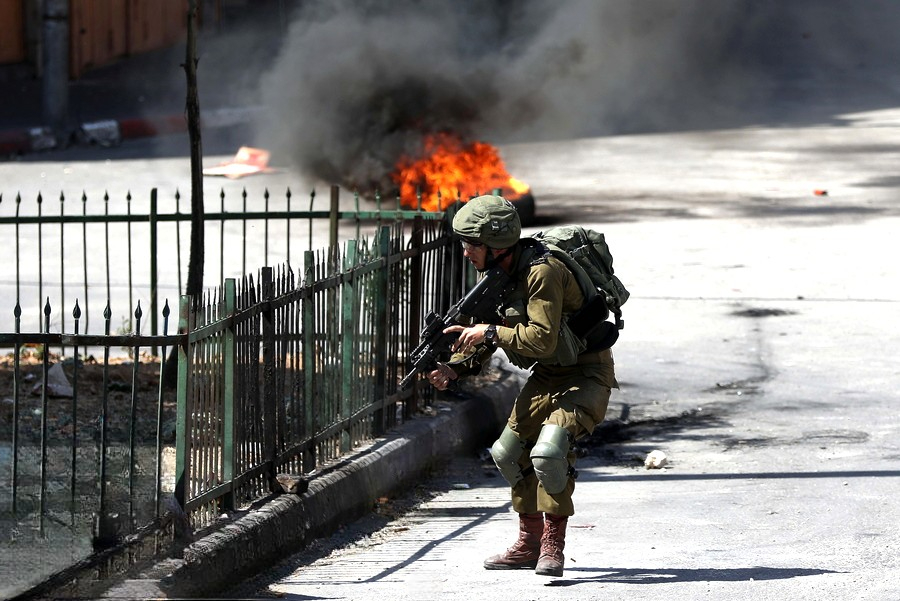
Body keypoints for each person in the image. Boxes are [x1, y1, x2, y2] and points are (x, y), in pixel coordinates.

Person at [427, 194, 618, 578]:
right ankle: (528, 544)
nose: (466, 253)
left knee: (549, 452)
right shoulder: (500, 276)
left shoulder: (542, 272)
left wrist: (491, 332)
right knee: (507, 452)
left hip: (585, 372)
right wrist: (455, 369)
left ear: (495, 245)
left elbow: (540, 340)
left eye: (471, 244)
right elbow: (483, 334)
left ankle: (552, 546)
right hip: (548, 374)